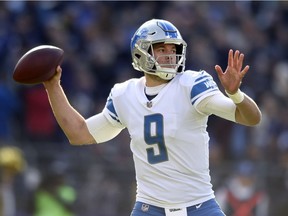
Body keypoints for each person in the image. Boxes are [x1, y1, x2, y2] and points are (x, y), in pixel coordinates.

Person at [43, 19, 261, 216]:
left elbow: (251, 118)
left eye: (173, 48)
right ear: (141, 53)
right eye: (161, 48)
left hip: (199, 206)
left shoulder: (191, 84)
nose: (169, 54)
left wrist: (235, 94)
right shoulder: (124, 94)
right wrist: (52, 86)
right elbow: (79, 134)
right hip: (149, 208)